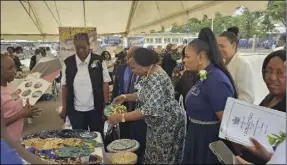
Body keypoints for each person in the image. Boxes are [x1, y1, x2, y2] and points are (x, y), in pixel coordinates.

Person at [109, 48, 186, 164]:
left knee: (161, 158)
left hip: (166, 125)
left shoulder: (156, 78)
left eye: (133, 68)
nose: (133, 71)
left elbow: (147, 110)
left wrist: (121, 117)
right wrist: (126, 97)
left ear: (144, 65)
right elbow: (146, 94)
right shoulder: (151, 72)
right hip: (158, 123)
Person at [182, 27, 238, 164]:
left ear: (200, 56)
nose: (183, 60)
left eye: (187, 56)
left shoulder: (216, 80)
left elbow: (227, 124)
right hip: (197, 136)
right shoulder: (205, 74)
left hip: (207, 141)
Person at [60, 33, 111, 136]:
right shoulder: (68, 63)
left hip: (95, 110)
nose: (80, 51)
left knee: (97, 136)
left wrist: (106, 106)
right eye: (77, 48)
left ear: (89, 45)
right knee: (79, 139)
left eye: (83, 47)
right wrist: (64, 108)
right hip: (75, 111)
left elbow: (105, 83)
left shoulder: (99, 61)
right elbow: (64, 86)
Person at [240, 50, 286, 164]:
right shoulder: (271, 97)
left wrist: (268, 157)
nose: (272, 78)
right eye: (268, 71)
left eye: (280, 73)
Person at [1, 54, 42, 142]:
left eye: (14, 67)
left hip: (15, 137)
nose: (14, 71)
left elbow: (9, 109)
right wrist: (22, 114)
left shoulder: (7, 84)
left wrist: (25, 110)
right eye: (10, 68)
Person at [217, 27, 255, 103]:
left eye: (222, 46)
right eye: (217, 46)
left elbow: (247, 98)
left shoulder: (242, 64)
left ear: (233, 45)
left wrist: (227, 109)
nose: (218, 49)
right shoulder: (224, 63)